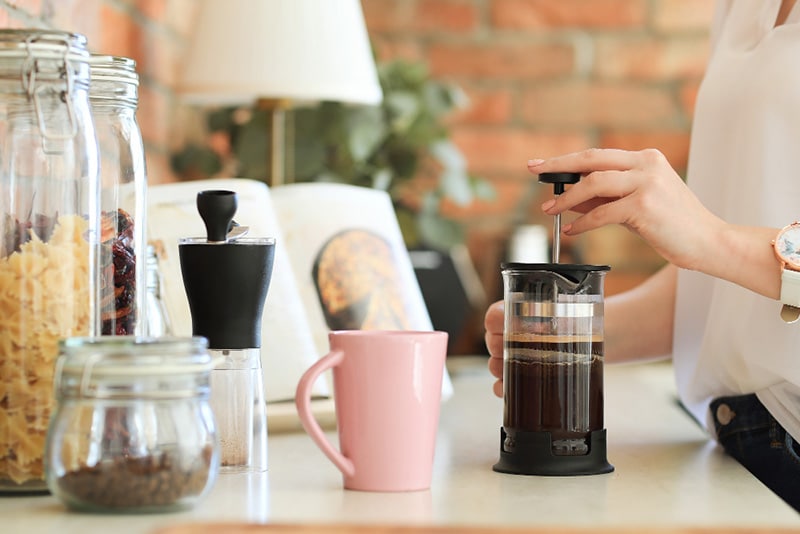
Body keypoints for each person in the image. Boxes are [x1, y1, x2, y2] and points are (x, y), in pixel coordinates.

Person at [484, 0, 800, 512]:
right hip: (734, 442)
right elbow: (722, 276)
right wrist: (580, 330)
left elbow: (716, 242)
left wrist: (710, 236)